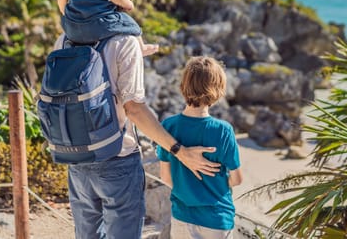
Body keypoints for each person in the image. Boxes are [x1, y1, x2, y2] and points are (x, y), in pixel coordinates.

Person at [53, 34, 221, 239]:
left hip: (76, 157)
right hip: (117, 159)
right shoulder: (124, 41)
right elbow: (134, 110)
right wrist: (180, 151)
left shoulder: (65, 39)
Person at [156, 56, 243, 239]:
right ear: (217, 89)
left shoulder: (168, 127)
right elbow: (236, 179)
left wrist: (187, 188)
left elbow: (165, 176)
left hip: (182, 216)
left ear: (184, 86)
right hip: (217, 218)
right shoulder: (223, 131)